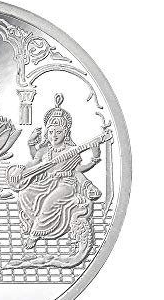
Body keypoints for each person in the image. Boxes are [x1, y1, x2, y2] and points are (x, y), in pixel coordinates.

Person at [9, 94, 102, 249]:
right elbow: (34, 162)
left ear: (65, 133)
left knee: (48, 202)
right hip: (46, 182)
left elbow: (78, 170)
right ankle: (36, 222)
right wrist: (20, 167)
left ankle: (34, 234)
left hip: (66, 183)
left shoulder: (71, 150)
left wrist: (95, 158)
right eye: (51, 132)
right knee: (24, 193)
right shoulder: (45, 150)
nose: (54, 136)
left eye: (58, 132)